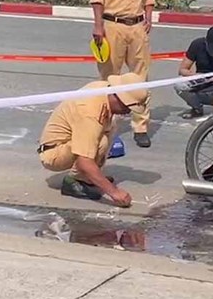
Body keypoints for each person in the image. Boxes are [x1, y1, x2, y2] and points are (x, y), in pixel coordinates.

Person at [90, 0, 165, 149]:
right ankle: (105, 124)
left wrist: (148, 16)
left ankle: (140, 126)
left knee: (140, 78)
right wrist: (98, 26)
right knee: (109, 79)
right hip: (112, 26)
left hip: (137, 27)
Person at [38, 73, 149, 208]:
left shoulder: (104, 90)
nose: (128, 111)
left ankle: (89, 177)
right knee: (100, 142)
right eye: (127, 107)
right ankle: (74, 181)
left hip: (68, 142)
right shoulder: (89, 112)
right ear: (117, 97)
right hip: (53, 152)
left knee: (109, 126)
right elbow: (84, 160)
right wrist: (114, 192)